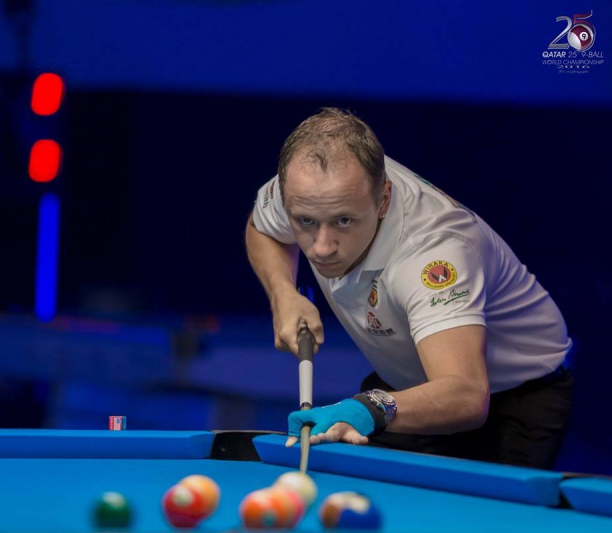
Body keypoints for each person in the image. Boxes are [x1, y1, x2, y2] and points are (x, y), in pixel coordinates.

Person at [245, 108, 573, 470]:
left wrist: (367, 408)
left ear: (383, 199)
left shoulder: (432, 255)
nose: (321, 248)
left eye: (344, 221)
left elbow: (466, 395)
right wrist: (283, 294)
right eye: (305, 221)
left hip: (510, 396)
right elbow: (263, 228)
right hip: (405, 383)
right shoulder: (309, 189)